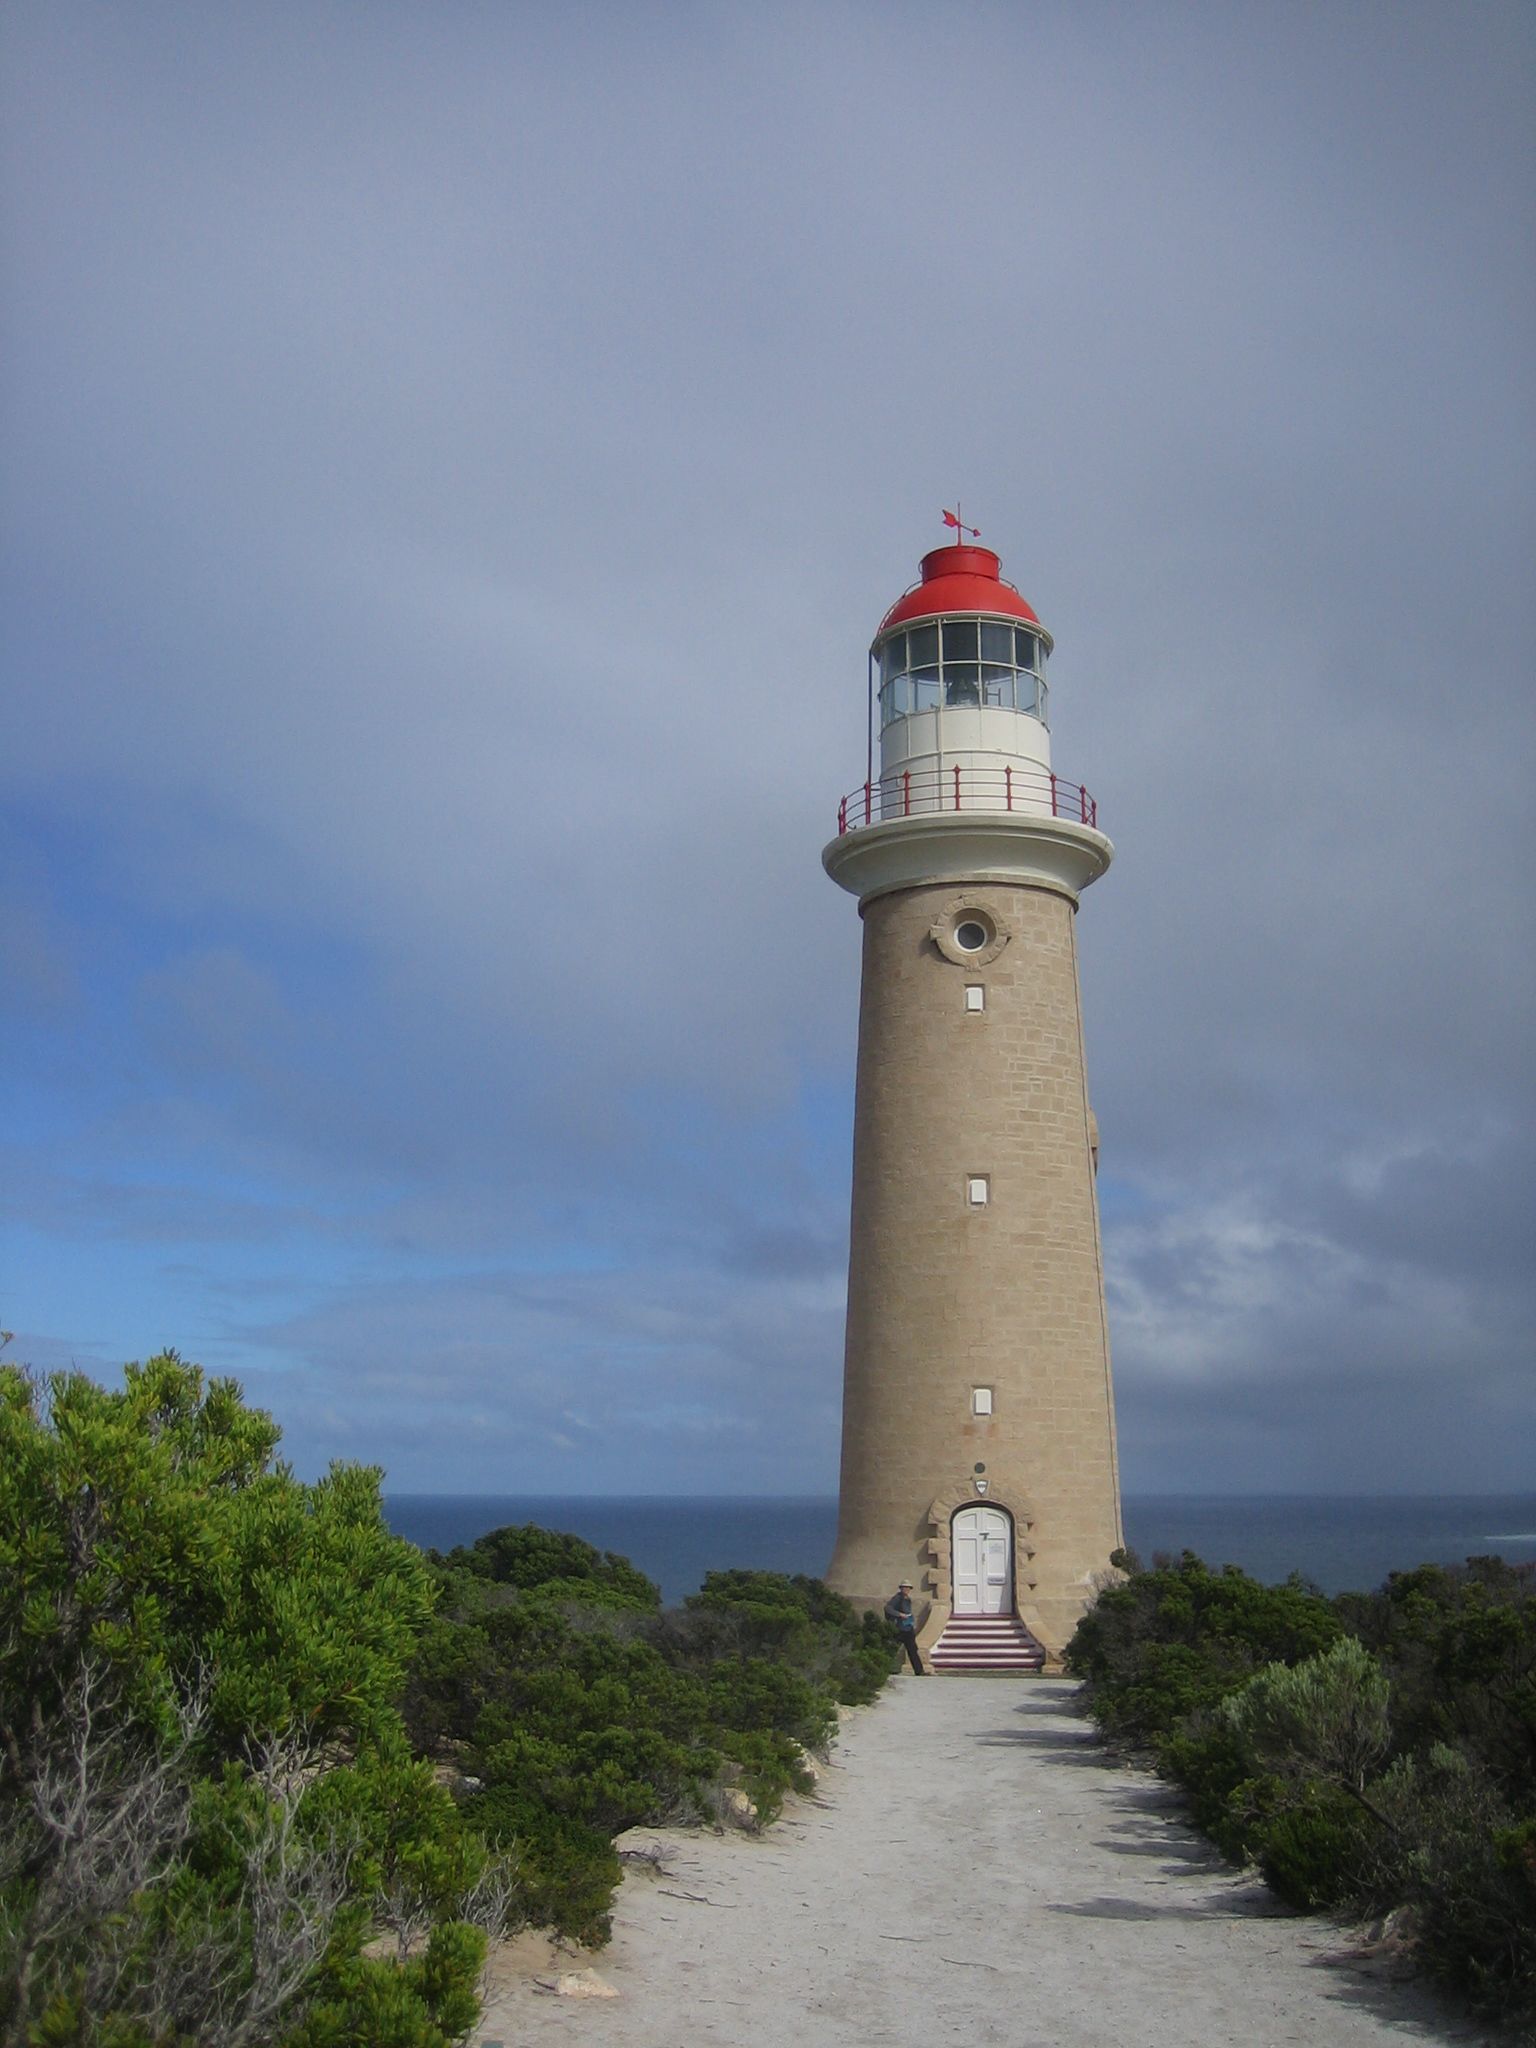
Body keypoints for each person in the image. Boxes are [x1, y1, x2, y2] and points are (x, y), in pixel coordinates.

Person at [884, 1581, 926, 1674]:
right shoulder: (897, 1598)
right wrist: (899, 1614)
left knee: (913, 1650)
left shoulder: (907, 1599)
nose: (907, 1589)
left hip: (907, 1627)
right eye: (905, 1587)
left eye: (908, 1588)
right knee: (892, 1649)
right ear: (901, 1588)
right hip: (899, 1628)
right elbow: (888, 1608)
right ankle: (886, 1668)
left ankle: (919, 1671)